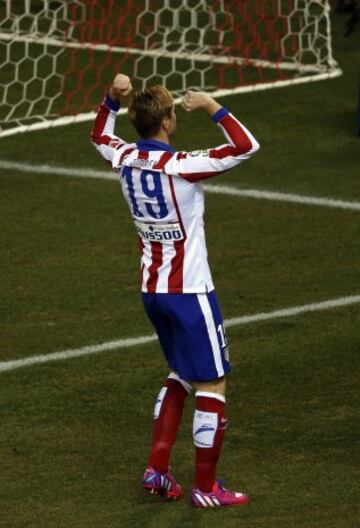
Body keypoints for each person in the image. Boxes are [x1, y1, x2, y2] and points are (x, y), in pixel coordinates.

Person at [91, 74, 260, 508]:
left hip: (153, 289)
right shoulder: (182, 164)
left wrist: (111, 98)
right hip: (191, 292)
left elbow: (99, 135)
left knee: (180, 374)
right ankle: (207, 487)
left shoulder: (123, 156)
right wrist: (210, 106)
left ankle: (158, 471)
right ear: (167, 121)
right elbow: (246, 146)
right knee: (213, 382)